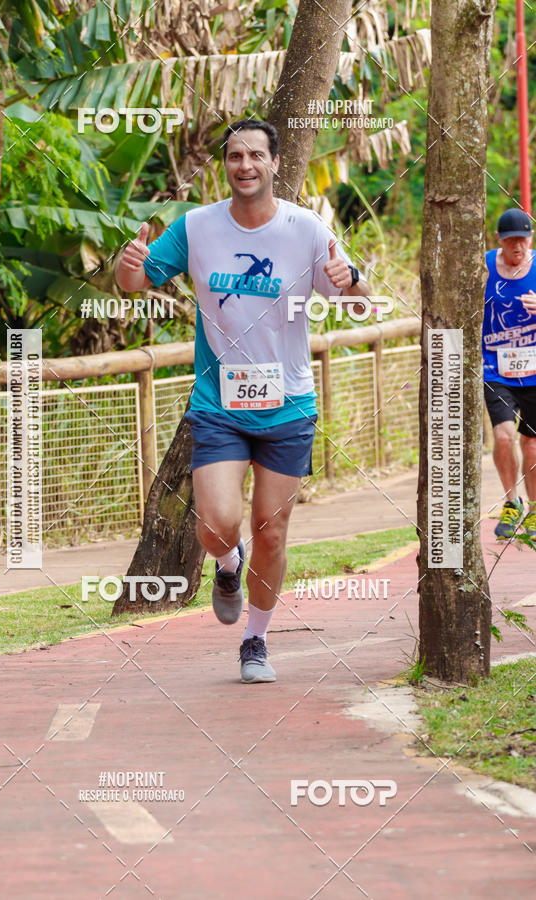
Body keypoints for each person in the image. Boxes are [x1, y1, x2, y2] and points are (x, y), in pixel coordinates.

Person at [115, 118, 370, 682]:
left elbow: (359, 302)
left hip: (289, 405)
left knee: (271, 530)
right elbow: (133, 283)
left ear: (276, 164)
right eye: (235, 156)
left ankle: (255, 641)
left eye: (256, 155)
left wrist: (350, 279)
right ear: (225, 165)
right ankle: (227, 567)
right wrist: (126, 267)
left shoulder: (307, 229)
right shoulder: (198, 227)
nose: (246, 165)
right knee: (216, 524)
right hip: (219, 403)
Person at [483, 208, 536, 539]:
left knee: (531, 444)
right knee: (503, 436)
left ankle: (534, 510)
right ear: (499, 241)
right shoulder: (484, 265)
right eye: (511, 241)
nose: (518, 248)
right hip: (495, 367)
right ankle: (510, 501)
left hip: (534, 370)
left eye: (524, 241)